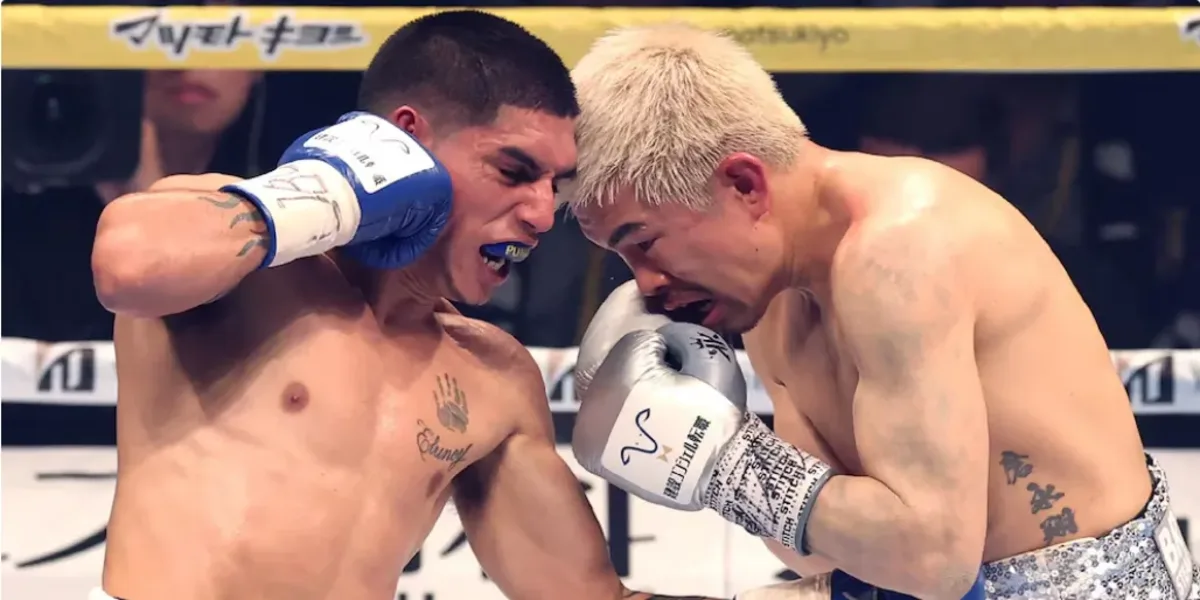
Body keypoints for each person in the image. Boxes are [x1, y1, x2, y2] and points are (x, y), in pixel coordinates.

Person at [90, 11, 716, 600]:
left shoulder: (491, 376)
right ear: (405, 141)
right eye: (513, 171)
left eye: (555, 186)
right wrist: (333, 189)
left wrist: (751, 483)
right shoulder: (247, 274)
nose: (541, 214)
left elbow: (586, 596)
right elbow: (128, 266)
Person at [562, 24, 1198, 600]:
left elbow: (934, 561)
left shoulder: (901, 247)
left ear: (745, 185)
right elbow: (816, 546)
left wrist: (721, 458)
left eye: (643, 242)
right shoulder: (767, 298)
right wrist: (706, 446)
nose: (645, 284)